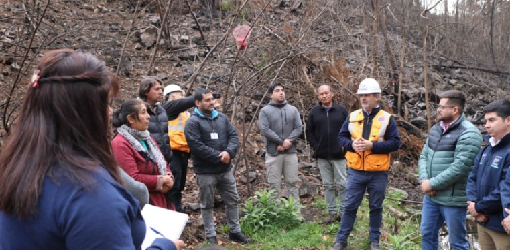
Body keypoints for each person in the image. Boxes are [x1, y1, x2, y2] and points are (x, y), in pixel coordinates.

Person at [0, 49, 184, 250]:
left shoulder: (15, 169)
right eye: (106, 103)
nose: (110, 111)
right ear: (83, 114)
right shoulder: (91, 196)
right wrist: (164, 247)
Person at [331, 78, 400, 250]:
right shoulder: (353, 116)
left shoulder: (387, 118)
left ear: (377, 97)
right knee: (349, 206)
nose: (363, 98)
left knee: (376, 207)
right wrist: (351, 145)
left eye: (367, 95)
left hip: (378, 172)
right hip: (355, 171)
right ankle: (341, 240)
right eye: (361, 95)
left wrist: (373, 146)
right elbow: (341, 137)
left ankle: (374, 241)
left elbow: (395, 143)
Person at [184, 88, 251, 245]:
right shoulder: (192, 122)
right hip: (206, 172)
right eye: (207, 100)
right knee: (207, 204)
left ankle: (235, 231)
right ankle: (211, 236)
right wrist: (219, 157)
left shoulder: (221, 118)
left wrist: (229, 152)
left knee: (233, 200)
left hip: (225, 170)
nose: (211, 102)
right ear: (197, 103)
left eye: (212, 99)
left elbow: (234, 136)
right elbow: (196, 146)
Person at [418, 90, 482, 250]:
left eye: (442, 106)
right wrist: (424, 180)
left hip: (453, 200)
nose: (438, 109)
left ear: (455, 110)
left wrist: (432, 184)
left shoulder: (469, 133)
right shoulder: (436, 129)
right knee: (427, 234)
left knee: (457, 242)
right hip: (431, 198)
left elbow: (460, 167)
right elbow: (424, 155)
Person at [112, 99, 175, 210]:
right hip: (143, 205)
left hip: (162, 200)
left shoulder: (148, 138)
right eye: (143, 112)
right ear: (131, 119)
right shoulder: (120, 143)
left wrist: (169, 176)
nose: (148, 116)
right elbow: (132, 179)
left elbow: (163, 163)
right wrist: (161, 181)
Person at [466, 99, 510, 250]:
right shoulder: (486, 148)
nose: (486, 125)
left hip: (502, 226)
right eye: (485, 121)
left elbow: (505, 188)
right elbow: (472, 177)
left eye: (492, 120)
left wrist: (479, 207)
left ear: (508, 120)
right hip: (482, 221)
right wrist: (473, 206)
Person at [306, 85, 349, 223]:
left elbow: (350, 130)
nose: (324, 96)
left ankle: (343, 213)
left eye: (326, 93)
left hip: (339, 155)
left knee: (342, 184)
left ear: (332, 94)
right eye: (321, 94)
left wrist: (345, 146)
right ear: (318, 96)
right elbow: (309, 132)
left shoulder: (341, 111)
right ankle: (331, 212)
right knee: (328, 185)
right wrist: (316, 146)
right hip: (322, 155)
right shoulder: (314, 112)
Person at [258, 82, 303, 205]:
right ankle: (275, 215)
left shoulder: (293, 110)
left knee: (292, 183)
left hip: (290, 152)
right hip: (273, 153)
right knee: (274, 185)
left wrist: (289, 141)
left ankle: (295, 213)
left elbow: (299, 127)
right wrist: (281, 142)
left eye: (282, 90)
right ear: (270, 95)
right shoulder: (265, 111)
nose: (281, 92)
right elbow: (265, 129)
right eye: (277, 90)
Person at [138, 77, 195, 171]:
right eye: (157, 89)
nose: (160, 92)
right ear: (146, 91)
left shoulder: (161, 110)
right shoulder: (136, 110)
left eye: (161, 89)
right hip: (148, 160)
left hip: (168, 158)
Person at [163, 84, 191, 213]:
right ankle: (174, 211)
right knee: (174, 184)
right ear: (173, 96)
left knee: (180, 184)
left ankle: (177, 209)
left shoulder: (185, 114)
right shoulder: (167, 110)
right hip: (172, 151)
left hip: (184, 152)